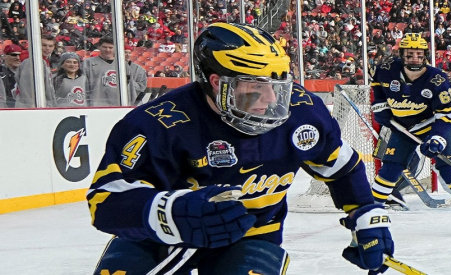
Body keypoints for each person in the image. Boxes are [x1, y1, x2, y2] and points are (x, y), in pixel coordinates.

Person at [88, 23, 394, 275]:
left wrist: (365, 214)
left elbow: (341, 167)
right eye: (256, 87)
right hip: (158, 238)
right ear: (217, 82)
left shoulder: (303, 112)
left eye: (278, 85)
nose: (271, 100)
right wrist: (173, 212)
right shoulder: (157, 123)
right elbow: (104, 200)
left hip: (250, 235)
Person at [371, 33, 451, 233]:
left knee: (449, 171)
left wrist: (437, 139)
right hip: (403, 128)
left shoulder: (437, 79)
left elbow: (448, 115)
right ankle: (369, 214)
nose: (415, 58)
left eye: (419, 54)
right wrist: (380, 106)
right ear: (402, 54)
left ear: (425, 55)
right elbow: (378, 88)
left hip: (433, 126)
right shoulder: (386, 70)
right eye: (410, 54)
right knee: (389, 170)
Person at [83, 36, 136, 106]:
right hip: (96, 105)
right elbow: (83, 85)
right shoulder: (88, 63)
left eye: (110, 47)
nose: (107, 50)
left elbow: (130, 86)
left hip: (119, 105)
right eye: (104, 47)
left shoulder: (122, 64)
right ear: (99, 47)